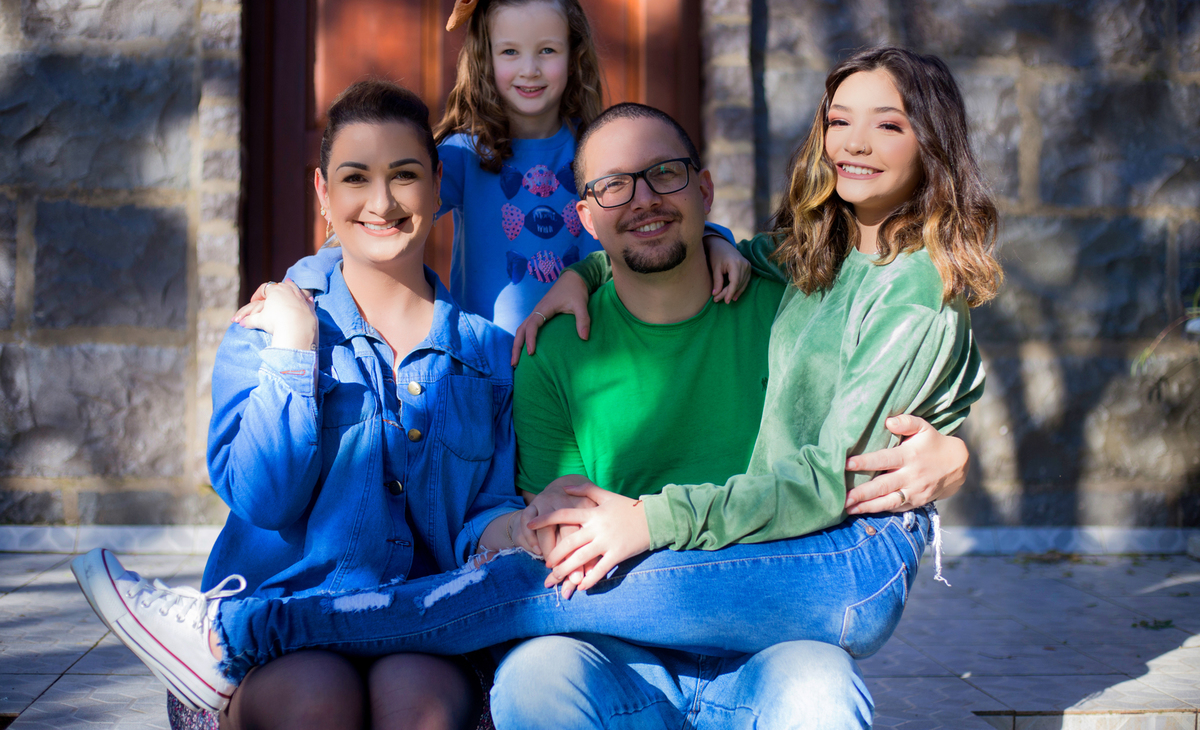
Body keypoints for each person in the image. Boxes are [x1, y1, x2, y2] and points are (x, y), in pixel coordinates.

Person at [73, 46, 994, 730]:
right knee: (518, 656)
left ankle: (239, 633)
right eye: (840, 120)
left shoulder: (831, 286)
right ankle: (255, 638)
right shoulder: (788, 272)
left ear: (705, 189)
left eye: (665, 178)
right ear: (585, 217)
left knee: (519, 605)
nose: (643, 200)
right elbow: (465, 507)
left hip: (809, 582)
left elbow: (865, 430)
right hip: (655, 619)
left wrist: (954, 450)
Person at [73, 80, 539, 730]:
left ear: (438, 188)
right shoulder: (271, 327)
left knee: (421, 707)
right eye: (356, 178)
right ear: (323, 193)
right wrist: (297, 352)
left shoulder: (487, 354)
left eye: (404, 176)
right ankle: (221, 650)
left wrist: (513, 531)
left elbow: (484, 511)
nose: (381, 202)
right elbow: (264, 498)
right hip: (284, 619)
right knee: (316, 703)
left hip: (426, 619)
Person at [302, 0, 747, 333]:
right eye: (510, 52)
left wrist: (713, 240)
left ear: (574, 56)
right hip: (490, 376)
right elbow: (372, 223)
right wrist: (304, 283)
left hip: (587, 361)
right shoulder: (462, 156)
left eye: (547, 50)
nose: (529, 70)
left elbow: (661, 211)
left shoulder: (601, 153)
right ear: (486, 58)